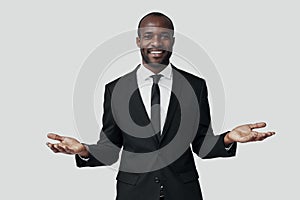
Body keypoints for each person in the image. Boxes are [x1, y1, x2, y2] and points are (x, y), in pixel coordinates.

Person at [46, 12, 275, 200]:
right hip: (133, 193)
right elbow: (110, 148)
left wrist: (228, 138)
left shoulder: (195, 86)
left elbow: (202, 144)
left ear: (173, 40)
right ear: (138, 41)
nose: (156, 43)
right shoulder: (115, 89)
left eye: (164, 36)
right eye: (148, 36)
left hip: (183, 192)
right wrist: (84, 151)